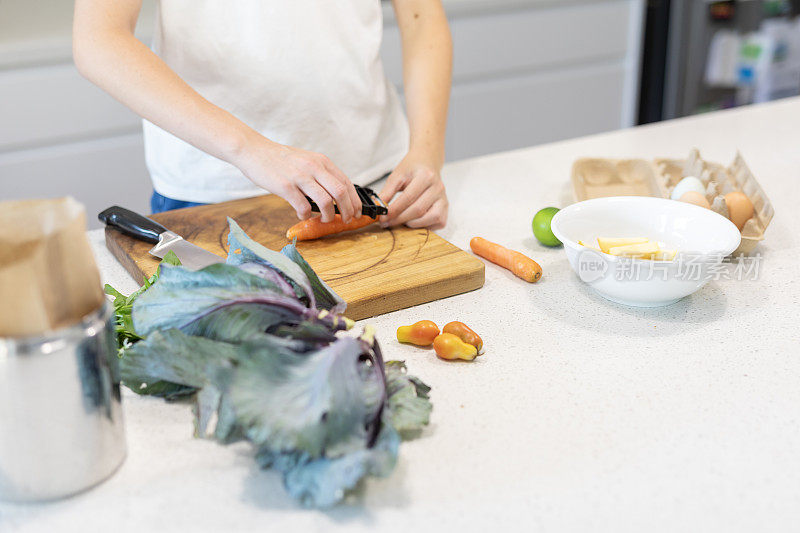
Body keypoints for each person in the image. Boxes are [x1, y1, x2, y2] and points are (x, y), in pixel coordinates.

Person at [73, 0, 452, 229]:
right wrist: (252, 150)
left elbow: (422, 19)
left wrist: (426, 153)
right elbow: (99, 40)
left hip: (378, 180)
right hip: (215, 192)